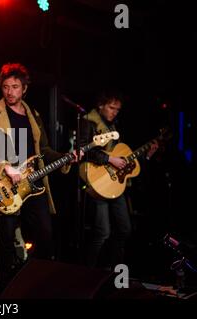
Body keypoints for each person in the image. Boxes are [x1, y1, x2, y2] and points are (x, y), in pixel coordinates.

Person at [0, 63, 79, 286]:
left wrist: (66, 157)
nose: (9, 92)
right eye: (5, 87)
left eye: (15, 87)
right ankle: (6, 289)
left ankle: (37, 283)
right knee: (6, 239)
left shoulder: (33, 114)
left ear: (24, 89)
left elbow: (43, 151)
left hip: (34, 183)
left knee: (45, 235)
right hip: (7, 184)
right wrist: (5, 167)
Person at [79, 91, 158, 269]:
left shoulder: (114, 126)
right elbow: (83, 150)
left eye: (117, 109)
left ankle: (111, 269)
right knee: (102, 232)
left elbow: (122, 157)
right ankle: (87, 271)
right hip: (97, 182)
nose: (114, 112)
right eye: (111, 107)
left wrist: (147, 156)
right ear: (101, 105)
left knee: (124, 229)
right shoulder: (88, 122)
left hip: (114, 184)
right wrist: (109, 160)